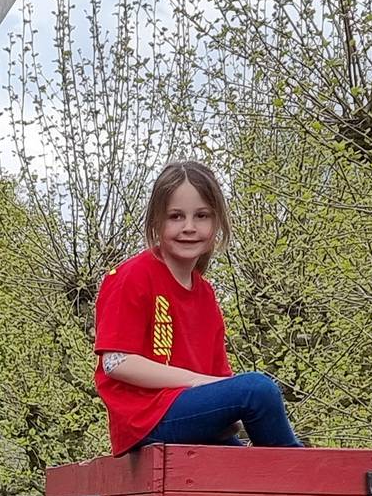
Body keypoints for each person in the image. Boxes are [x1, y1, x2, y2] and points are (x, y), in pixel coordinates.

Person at [93, 160, 301, 451]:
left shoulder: (205, 294)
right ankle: (304, 477)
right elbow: (116, 362)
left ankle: (300, 485)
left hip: (189, 414)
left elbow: (219, 378)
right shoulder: (133, 276)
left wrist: (229, 411)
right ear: (156, 222)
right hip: (146, 417)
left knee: (249, 469)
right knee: (258, 389)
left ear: (216, 224)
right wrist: (196, 382)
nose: (189, 227)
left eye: (201, 216)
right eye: (175, 216)